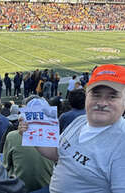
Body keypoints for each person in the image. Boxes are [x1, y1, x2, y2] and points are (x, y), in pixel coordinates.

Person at [19, 64, 125, 193]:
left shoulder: (121, 143)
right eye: (96, 95)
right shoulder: (80, 121)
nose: (102, 103)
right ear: (87, 95)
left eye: (112, 96)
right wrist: (32, 133)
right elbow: (57, 153)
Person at [3, 98, 54, 193]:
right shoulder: (55, 136)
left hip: (21, 189)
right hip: (49, 187)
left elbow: (6, 166)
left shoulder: (12, 136)